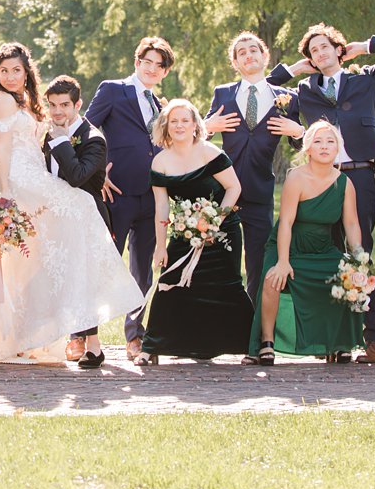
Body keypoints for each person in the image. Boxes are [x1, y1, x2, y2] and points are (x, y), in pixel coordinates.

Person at [0, 46, 142, 365]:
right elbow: (1, 153)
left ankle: (40, 333)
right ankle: (90, 324)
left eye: (16, 70)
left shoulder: (26, 102)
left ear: (27, 71)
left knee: (39, 258)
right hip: (19, 181)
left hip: (36, 175)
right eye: (4, 71)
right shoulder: (2, 100)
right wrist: (4, 197)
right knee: (81, 205)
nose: (10, 76)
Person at [267, 24, 375, 362]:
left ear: (338, 49)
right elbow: (266, 87)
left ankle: (373, 337)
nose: (320, 53)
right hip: (320, 180)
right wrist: (293, 70)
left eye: (325, 46)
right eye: (313, 51)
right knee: (328, 257)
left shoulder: (366, 80)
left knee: (360, 252)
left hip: (359, 176)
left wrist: (363, 45)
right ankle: (335, 339)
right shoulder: (304, 90)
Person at [140, 98, 254, 365]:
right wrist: (160, 246)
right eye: (174, 121)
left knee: (227, 287)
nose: (179, 126)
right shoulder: (160, 162)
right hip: (183, 231)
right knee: (170, 283)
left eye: (185, 120)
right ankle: (151, 348)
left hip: (221, 232)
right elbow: (161, 207)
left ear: (195, 125)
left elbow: (234, 188)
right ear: (166, 126)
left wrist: (214, 221)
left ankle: (251, 346)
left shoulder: (209, 152)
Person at [84, 36, 173, 361]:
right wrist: (97, 173)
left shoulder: (161, 107)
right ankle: (83, 335)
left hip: (151, 199)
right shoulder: (113, 89)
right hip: (116, 194)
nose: (151, 68)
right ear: (137, 62)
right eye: (147, 62)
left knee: (142, 272)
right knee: (102, 266)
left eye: (159, 65)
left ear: (164, 73)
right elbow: (85, 129)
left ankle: (135, 337)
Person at [248, 120, 364, 364]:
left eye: (330, 142)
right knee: (273, 278)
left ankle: (339, 342)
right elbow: (286, 223)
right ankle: (266, 342)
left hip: (322, 248)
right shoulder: (296, 178)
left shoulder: (344, 183)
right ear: (307, 148)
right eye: (317, 141)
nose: (324, 146)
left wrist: (358, 258)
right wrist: (282, 261)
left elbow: (351, 224)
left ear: (337, 149)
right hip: (288, 244)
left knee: (349, 276)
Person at [204, 31, 303, 302]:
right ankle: (226, 321)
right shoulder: (222, 93)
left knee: (259, 260)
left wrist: (298, 131)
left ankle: (256, 327)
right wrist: (207, 127)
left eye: (253, 50)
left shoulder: (287, 97)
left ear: (264, 56)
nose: (248, 55)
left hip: (260, 191)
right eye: (242, 53)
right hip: (223, 189)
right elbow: (199, 136)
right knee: (223, 257)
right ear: (235, 63)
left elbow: (300, 144)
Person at [41, 75, 112, 365]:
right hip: (56, 219)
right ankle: (59, 340)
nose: (58, 112)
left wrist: (59, 140)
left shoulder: (94, 139)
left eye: (65, 105)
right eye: (52, 105)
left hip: (88, 220)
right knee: (59, 280)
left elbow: (77, 176)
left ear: (78, 104)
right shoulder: (45, 133)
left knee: (85, 282)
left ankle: (94, 347)